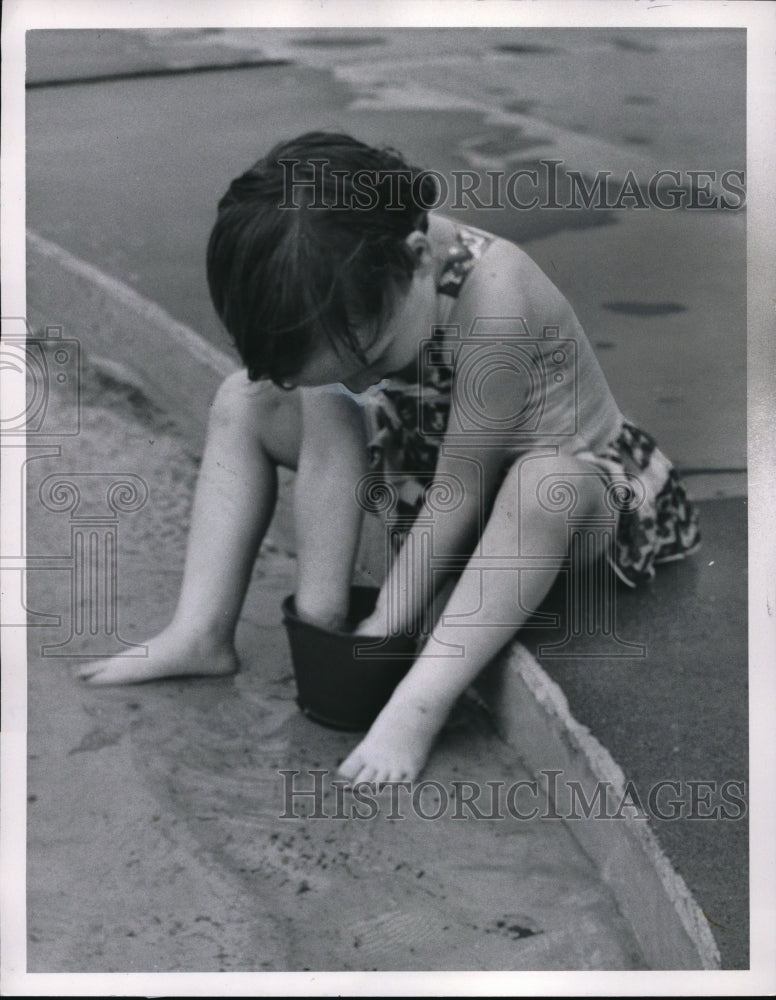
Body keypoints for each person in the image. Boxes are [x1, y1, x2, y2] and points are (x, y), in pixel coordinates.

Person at [79, 132, 701, 782]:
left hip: (568, 502)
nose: (359, 382)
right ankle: (201, 631)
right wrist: (328, 630)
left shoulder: (496, 298)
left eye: (370, 363)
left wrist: (382, 628)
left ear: (418, 258)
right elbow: (340, 434)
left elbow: (462, 491)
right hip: (429, 467)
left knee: (544, 485)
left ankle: (421, 704)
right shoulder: (356, 276)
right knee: (246, 400)